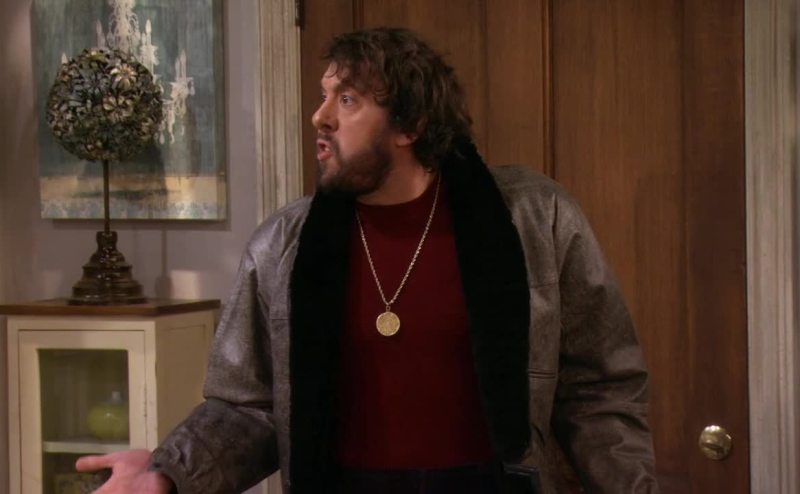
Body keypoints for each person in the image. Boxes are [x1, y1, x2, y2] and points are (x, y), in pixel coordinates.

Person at [76, 27, 659, 493]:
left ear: (410, 124)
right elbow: (246, 408)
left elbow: (599, 389)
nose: (320, 116)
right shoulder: (282, 246)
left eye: (348, 100)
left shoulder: (535, 219)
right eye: (324, 96)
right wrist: (166, 473)